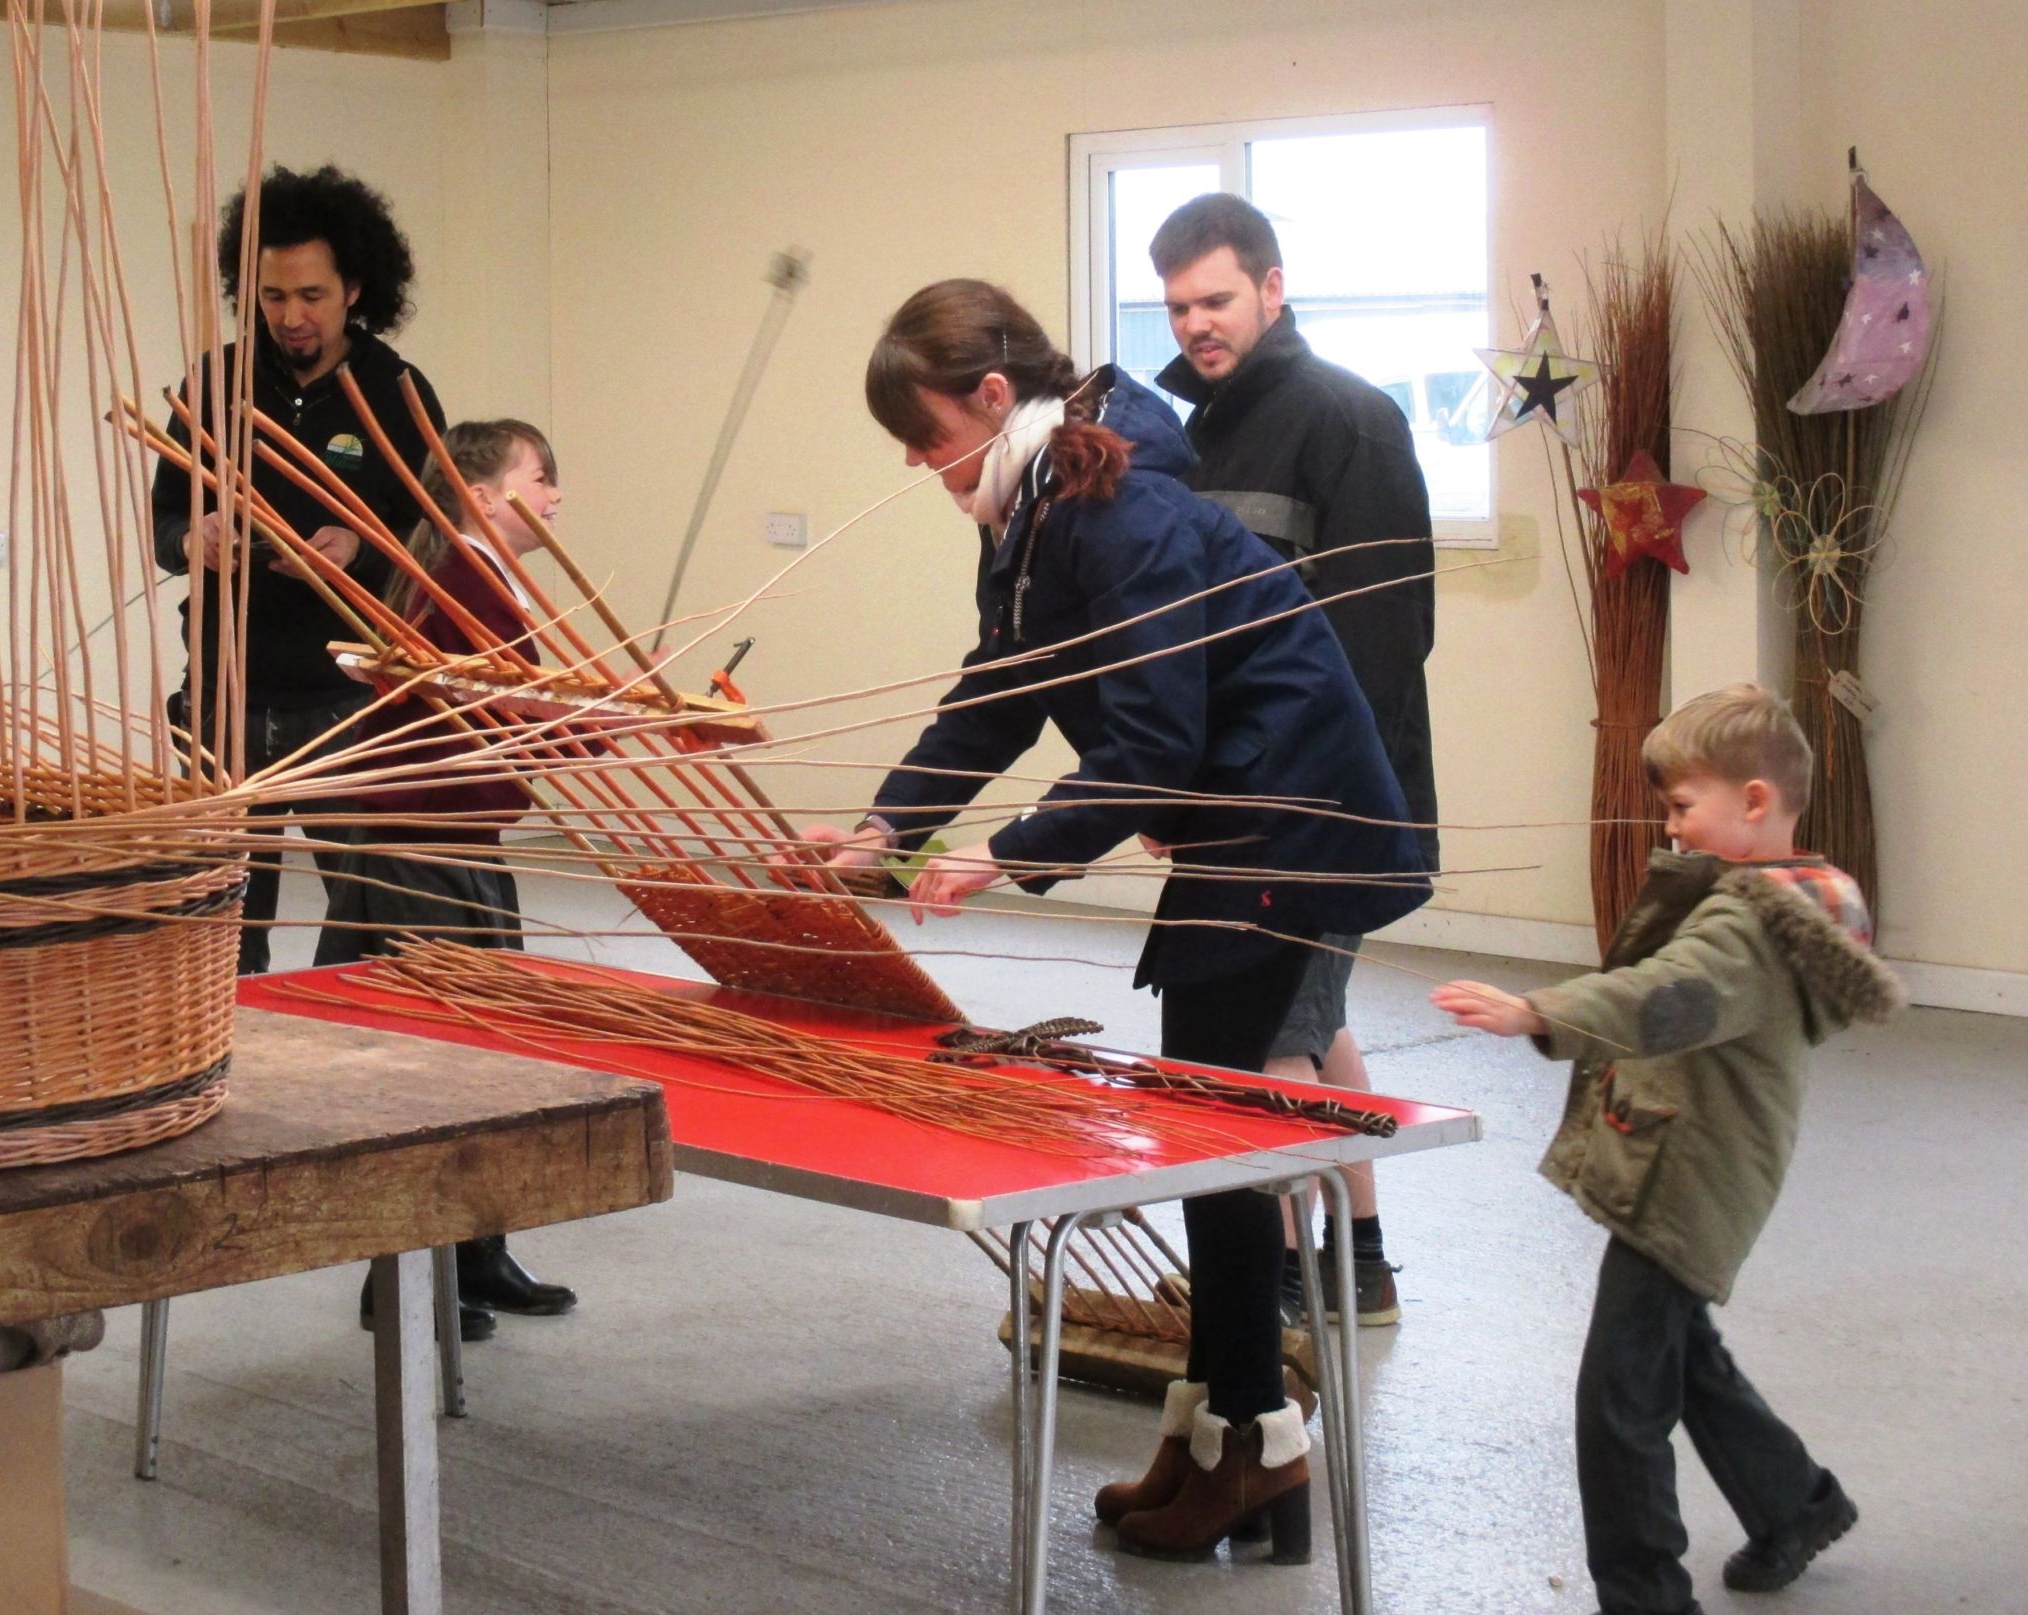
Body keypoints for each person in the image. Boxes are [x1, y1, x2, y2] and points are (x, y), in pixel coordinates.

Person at [800, 279, 1427, 1561]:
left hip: (1290, 815)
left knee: (1207, 1127)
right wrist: (881, 828)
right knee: (1202, 1117)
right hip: (1248, 809)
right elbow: (998, 692)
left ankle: (1252, 1441)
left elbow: (1151, 743)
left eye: (925, 436)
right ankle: (1219, 1433)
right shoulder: (1036, 504)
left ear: (993, 396)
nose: (918, 465)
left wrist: (1006, 852)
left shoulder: (1114, 502)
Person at [1431, 684, 1901, 1615]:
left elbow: (1667, 994)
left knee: (1618, 1401)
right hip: (1697, 1166)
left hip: (1685, 1179)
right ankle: (1794, 1502)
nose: (1673, 827)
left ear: (1755, 800)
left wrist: (1539, 1010)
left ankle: (1646, 1595)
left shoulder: (1750, 925)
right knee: (1679, 1354)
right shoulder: (1780, 897)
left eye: (1684, 806)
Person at [1151, 192, 1439, 1326]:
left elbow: (1380, 641)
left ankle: (1271, 1281)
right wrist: (1180, 781)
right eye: (1178, 306)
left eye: (1216, 299)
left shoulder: (1349, 420)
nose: (1195, 324)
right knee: (1311, 1017)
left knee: (1271, 1038)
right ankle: (1358, 1258)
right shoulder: (1196, 438)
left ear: (1272, 288)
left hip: (1320, 809)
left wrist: (1298, 804)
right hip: (1236, 802)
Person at [150, 164, 445, 975]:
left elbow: (437, 540)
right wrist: (195, 540)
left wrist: (361, 547)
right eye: (273, 296)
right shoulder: (215, 382)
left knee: (362, 909)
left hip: (347, 697)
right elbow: (164, 524)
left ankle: (347, 1026)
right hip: (226, 692)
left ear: (355, 288)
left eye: (311, 295)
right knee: (220, 918)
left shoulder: (397, 392)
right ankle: (223, 1032)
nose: (290, 316)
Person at [336, 421, 578, 1335]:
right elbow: (513, 714)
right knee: (432, 1066)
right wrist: (621, 726)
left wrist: (613, 725)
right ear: (481, 496)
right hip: (423, 851)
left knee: (485, 1058)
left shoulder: (481, 577)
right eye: (539, 477)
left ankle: (478, 1255)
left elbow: (518, 716)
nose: (554, 496)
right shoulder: (459, 582)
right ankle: (403, 1280)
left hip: (463, 845)